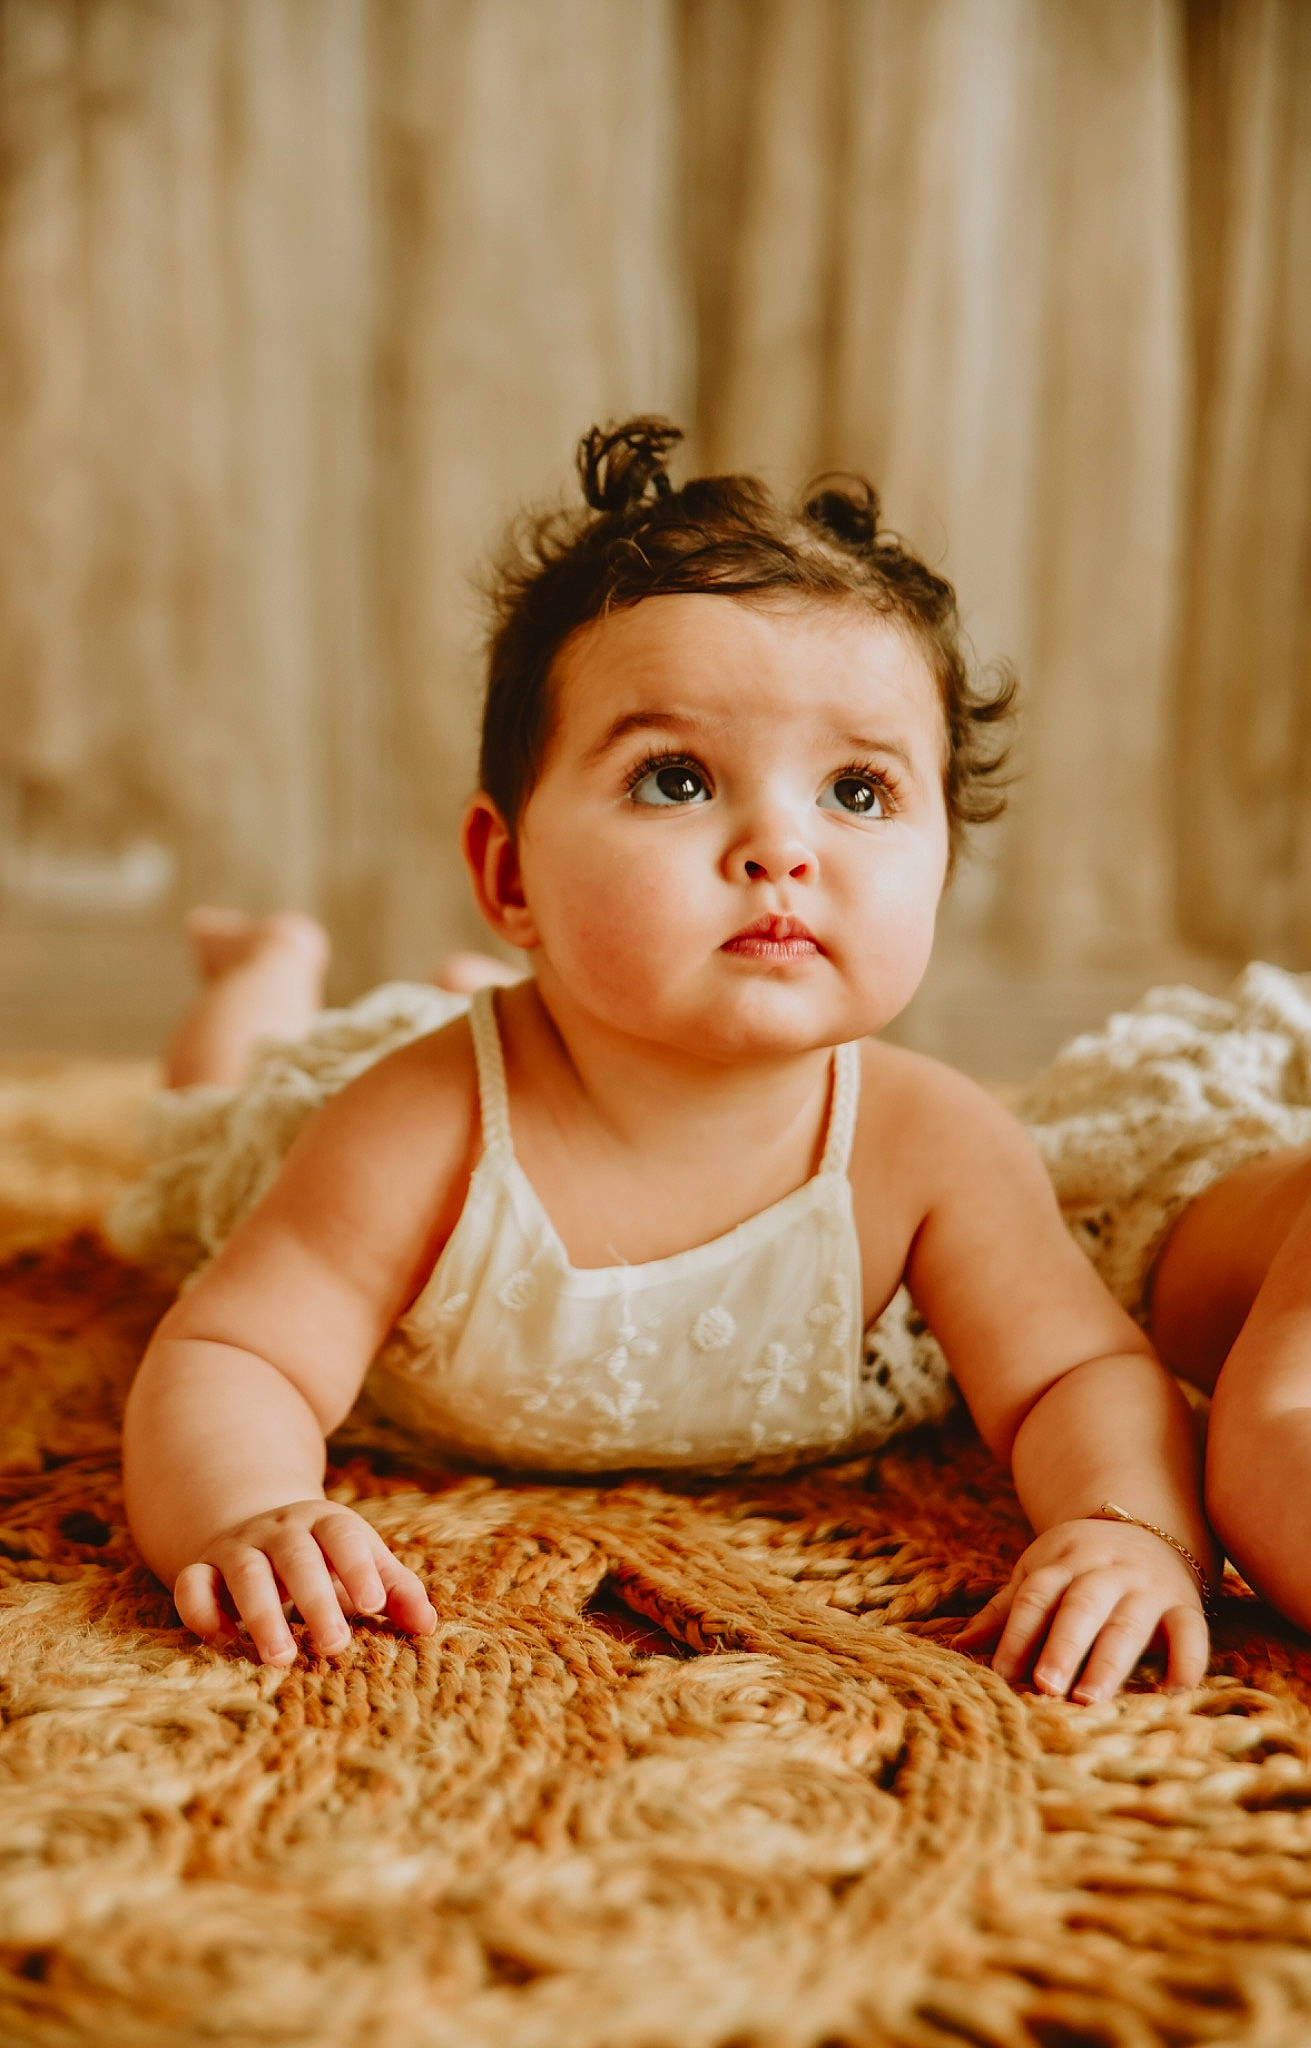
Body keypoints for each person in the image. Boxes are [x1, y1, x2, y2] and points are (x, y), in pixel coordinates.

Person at [117, 417, 1216, 1700]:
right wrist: (245, 1509)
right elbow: (233, 1354)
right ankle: (263, 969)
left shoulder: (933, 1144)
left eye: (857, 791)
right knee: (224, 1103)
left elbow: (1074, 1373)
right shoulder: (414, 1126)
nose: (780, 847)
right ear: (508, 869)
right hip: (360, 1106)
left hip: (568, 1020)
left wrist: (1126, 1527)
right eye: (678, 777)